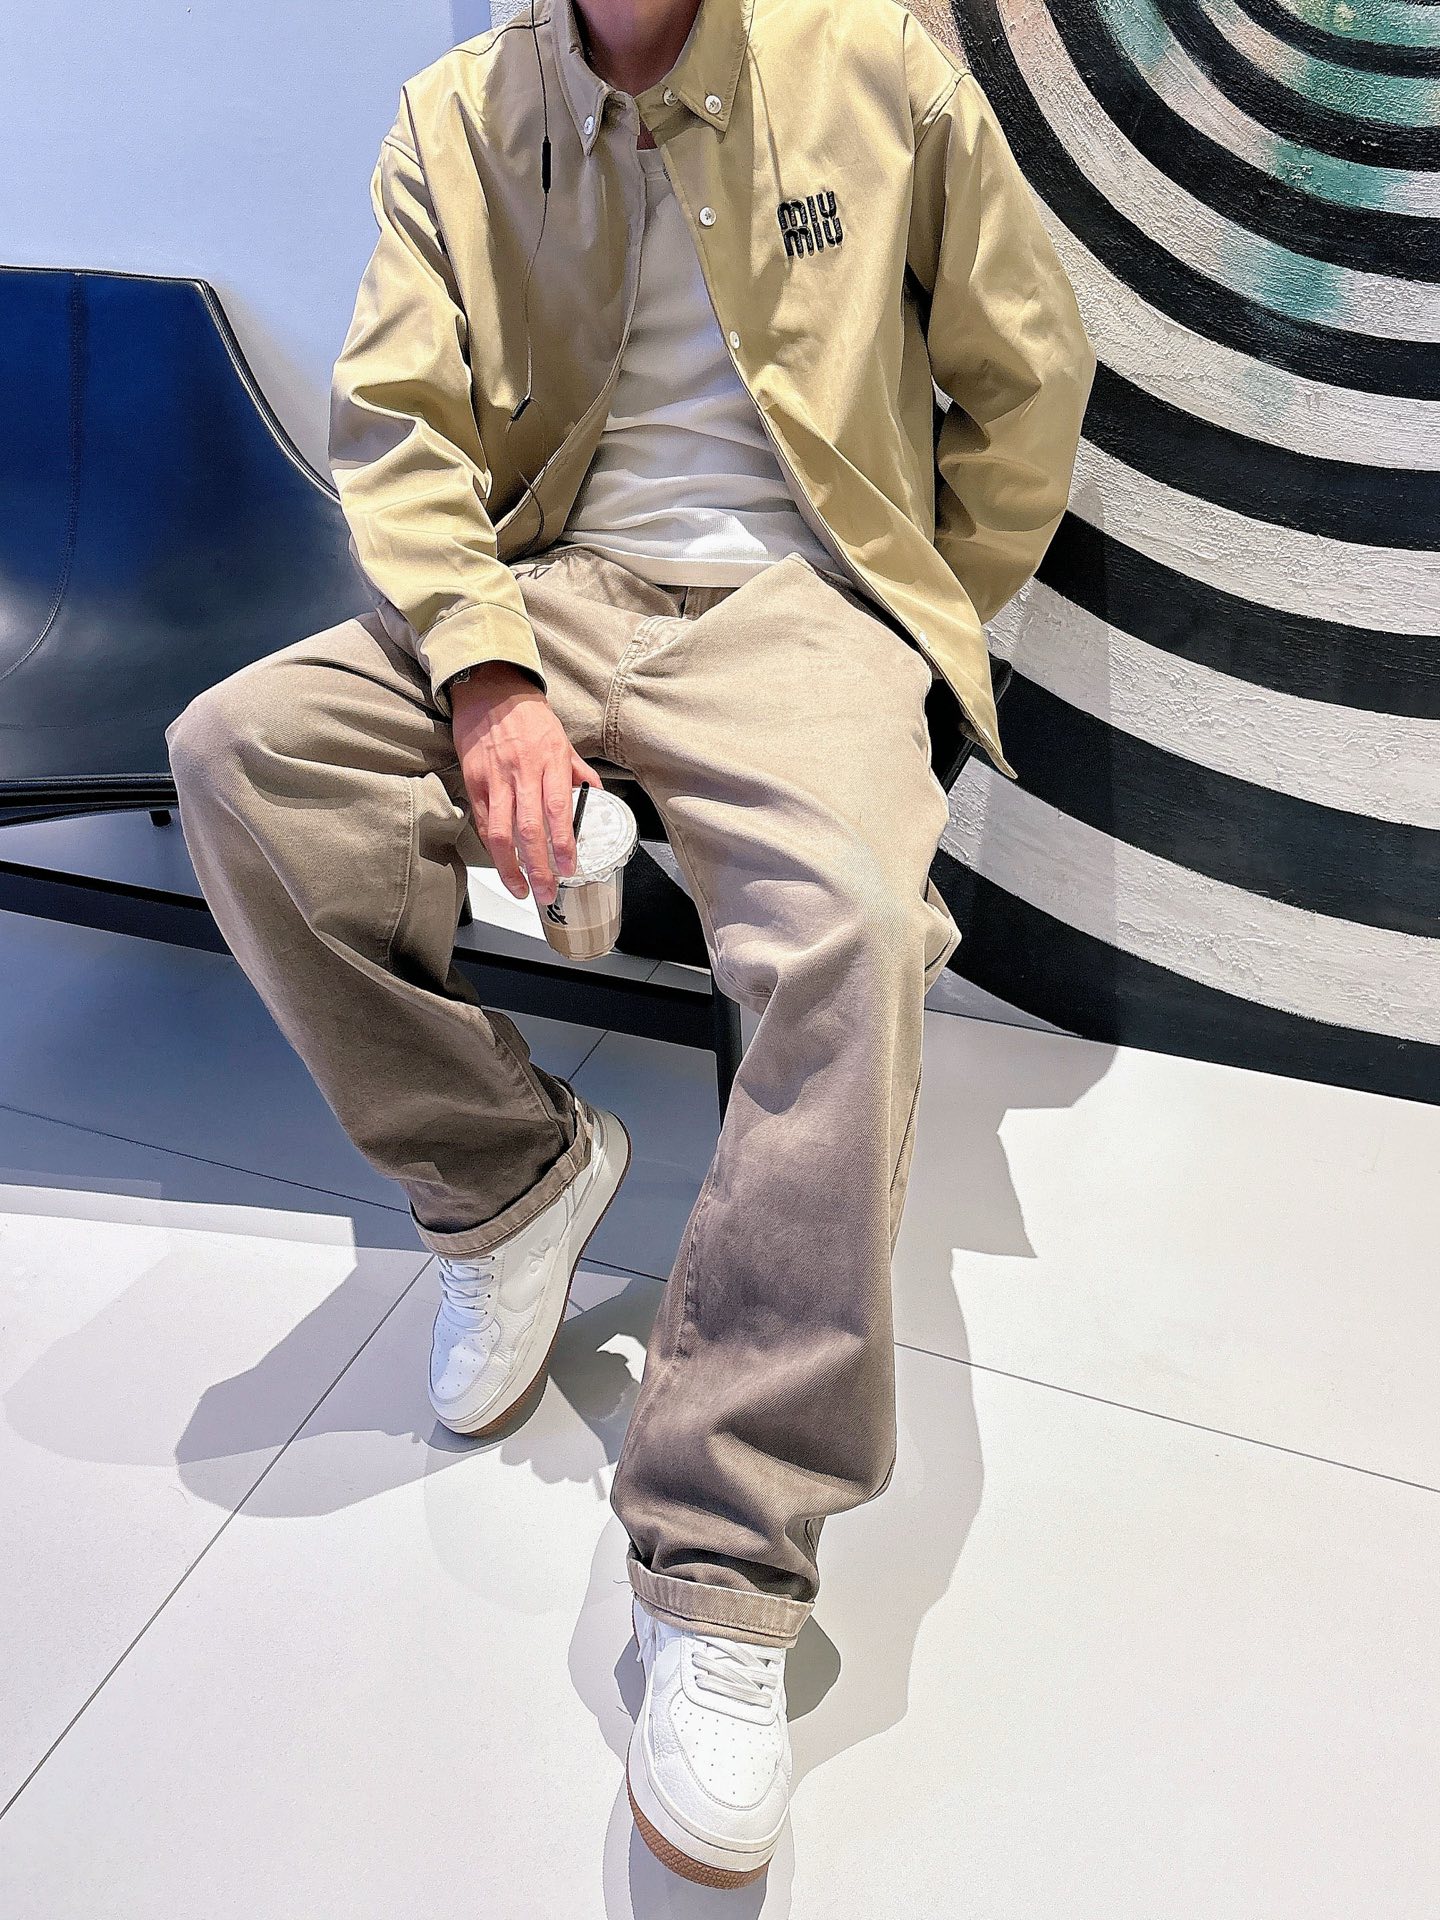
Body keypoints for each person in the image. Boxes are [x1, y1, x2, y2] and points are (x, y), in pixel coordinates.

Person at [167, 0, 1095, 1886]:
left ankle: (727, 1568)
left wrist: (918, 630)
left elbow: (1027, 378)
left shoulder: (878, 70)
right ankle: (508, 1181)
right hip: (548, 590)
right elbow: (401, 434)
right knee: (243, 758)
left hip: (799, 611)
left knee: (849, 940)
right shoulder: (455, 116)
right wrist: (489, 665)